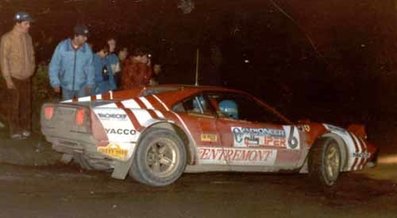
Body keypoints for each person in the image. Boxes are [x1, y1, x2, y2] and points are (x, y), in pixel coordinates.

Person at [0, 11, 35, 139]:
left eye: (29, 23)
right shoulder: (7, 38)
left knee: (26, 105)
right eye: (26, 23)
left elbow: (31, 55)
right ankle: (15, 131)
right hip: (13, 77)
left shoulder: (28, 38)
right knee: (14, 106)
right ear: (18, 23)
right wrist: (8, 79)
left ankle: (25, 128)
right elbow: (3, 60)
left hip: (26, 77)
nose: (29, 26)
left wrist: (31, 69)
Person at [49, 24, 94, 100]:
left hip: (82, 86)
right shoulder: (62, 47)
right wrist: (55, 82)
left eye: (86, 36)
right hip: (66, 85)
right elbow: (54, 65)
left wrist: (90, 83)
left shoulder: (87, 49)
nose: (86, 39)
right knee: (68, 109)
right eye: (83, 36)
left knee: (83, 109)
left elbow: (90, 67)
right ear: (76, 36)